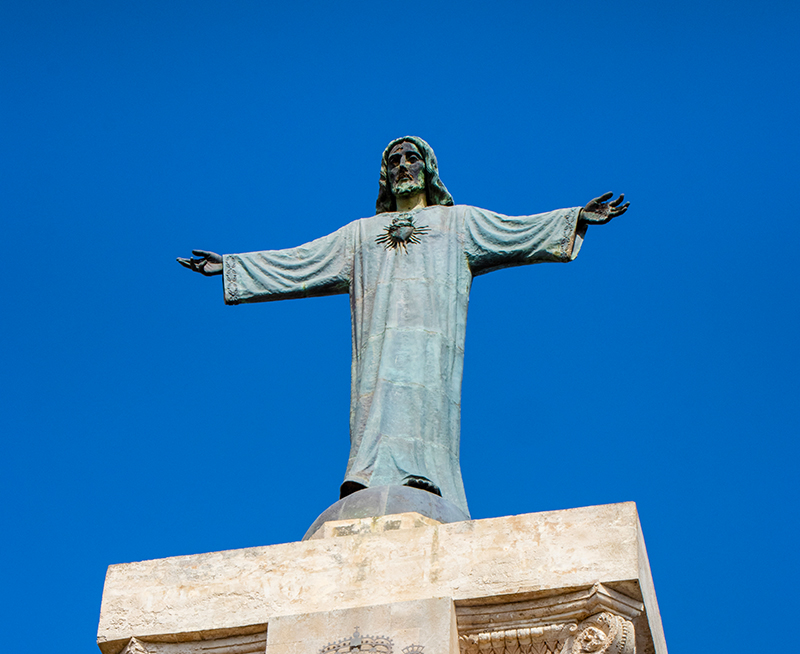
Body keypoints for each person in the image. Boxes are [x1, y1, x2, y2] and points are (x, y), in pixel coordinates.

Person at [179, 137, 627, 514]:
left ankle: (425, 475)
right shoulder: (358, 235)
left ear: (428, 169)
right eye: (393, 161)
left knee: (425, 396)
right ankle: (367, 475)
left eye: (411, 158)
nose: (402, 166)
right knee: (375, 396)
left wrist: (574, 218)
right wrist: (234, 267)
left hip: (433, 339)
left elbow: (516, 231)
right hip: (379, 340)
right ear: (384, 176)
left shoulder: (459, 223)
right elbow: (301, 261)